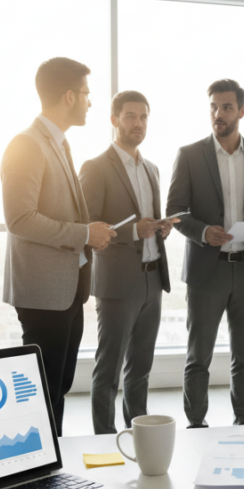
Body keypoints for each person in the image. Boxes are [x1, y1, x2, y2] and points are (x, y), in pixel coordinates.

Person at [1, 57, 116, 435]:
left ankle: (53, 471)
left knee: (58, 387)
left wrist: (89, 233)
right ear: (69, 96)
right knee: (43, 392)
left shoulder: (57, 143)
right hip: (43, 294)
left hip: (68, 290)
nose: (89, 102)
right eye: (86, 93)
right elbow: (19, 219)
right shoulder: (27, 145)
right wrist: (83, 234)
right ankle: (39, 474)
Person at [166, 79, 244, 428]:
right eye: (214, 107)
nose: (218, 114)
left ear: (241, 111)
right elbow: (175, 211)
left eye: (226, 107)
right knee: (198, 356)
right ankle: (195, 425)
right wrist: (202, 231)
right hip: (207, 271)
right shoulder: (189, 155)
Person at [78, 91, 175, 434]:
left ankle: (139, 436)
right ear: (114, 120)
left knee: (140, 369)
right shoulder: (95, 168)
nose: (138, 123)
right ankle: (104, 441)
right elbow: (88, 226)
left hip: (152, 279)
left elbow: (150, 223)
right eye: (131, 116)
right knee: (109, 370)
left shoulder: (152, 169)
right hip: (118, 283)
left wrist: (160, 229)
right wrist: (135, 231)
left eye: (144, 117)